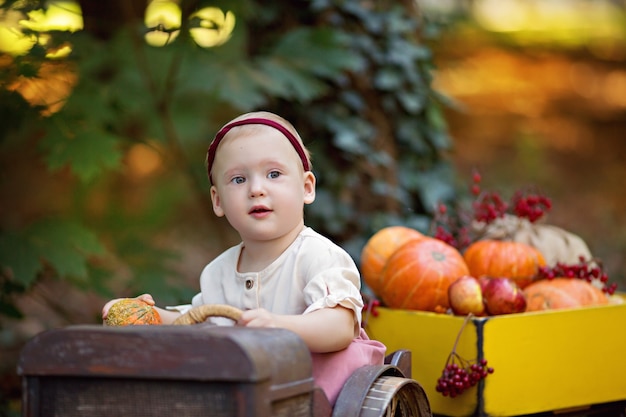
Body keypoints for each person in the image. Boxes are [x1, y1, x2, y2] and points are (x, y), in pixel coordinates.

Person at [102, 111, 386, 405]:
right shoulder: (218, 272)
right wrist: (154, 317)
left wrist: (279, 325)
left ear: (306, 187)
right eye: (238, 179)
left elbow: (339, 327)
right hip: (254, 397)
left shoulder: (319, 257)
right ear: (218, 200)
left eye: (274, 174)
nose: (256, 189)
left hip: (320, 392)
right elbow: (204, 322)